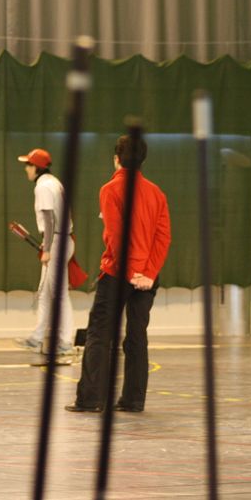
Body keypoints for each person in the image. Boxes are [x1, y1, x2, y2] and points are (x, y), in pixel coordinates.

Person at [67, 135, 171, 414]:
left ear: (116, 159)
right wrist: (147, 273)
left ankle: (90, 399)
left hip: (117, 274)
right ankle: (134, 400)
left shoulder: (110, 189)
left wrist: (131, 271)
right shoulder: (157, 193)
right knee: (137, 334)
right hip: (146, 278)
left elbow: (116, 236)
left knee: (100, 333)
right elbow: (163, 238)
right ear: (143, 160)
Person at [14, 148, 75, 362]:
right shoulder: (54, 182)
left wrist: (48, 248)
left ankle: (66, 342)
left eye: (28, 165)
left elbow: (49, 219)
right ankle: (37, 338)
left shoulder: (43, 186)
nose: (26, 169)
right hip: (60, 239)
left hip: (56, 241)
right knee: (46, 294)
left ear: (36, 167)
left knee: (58, 294)